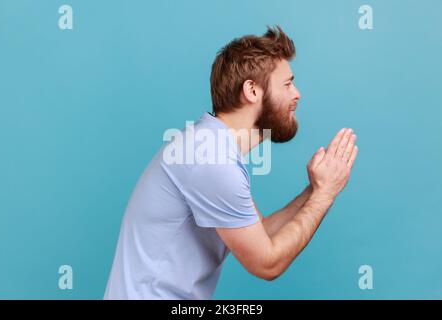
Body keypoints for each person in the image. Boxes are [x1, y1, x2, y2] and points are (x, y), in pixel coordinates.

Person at [104, 25, 358, 300]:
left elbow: (262, 236)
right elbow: (267, 263)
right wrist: (324, 195)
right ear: (252, 90)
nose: (297, 94)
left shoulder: (212, 146)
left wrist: (314, 189)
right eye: (287, 84)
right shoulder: (211, 159)